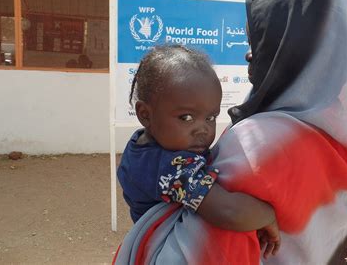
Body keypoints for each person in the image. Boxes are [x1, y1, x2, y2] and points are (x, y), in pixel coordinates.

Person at [114, 0, 347, 265]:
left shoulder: (261, 142)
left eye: (262, 44)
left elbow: (220, 226)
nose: (249, 54)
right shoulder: (345, 139)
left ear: (292, 51)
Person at [117, 45, 280, 258]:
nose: (202, 129)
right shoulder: (173, 168)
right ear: (145, 114)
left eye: (211, 117)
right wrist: (269, 217)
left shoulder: (141, 143)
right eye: (186, 118)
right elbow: (228, 212)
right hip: (169, 249)